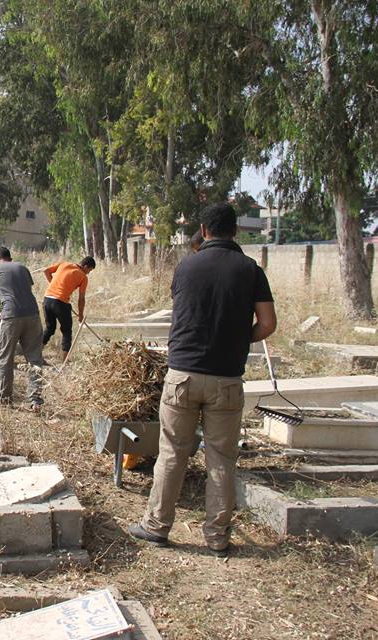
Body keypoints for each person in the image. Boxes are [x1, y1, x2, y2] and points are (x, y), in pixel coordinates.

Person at [127, 202, 276, 557]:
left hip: (183, 376)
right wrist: (240, 339)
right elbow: (268, 324)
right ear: (235, 231)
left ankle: (157, 526)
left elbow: (187, 312)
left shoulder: (186, 267)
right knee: (221, 459)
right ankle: (217, 537)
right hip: (226, 380)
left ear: (204, 230)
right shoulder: (251, 270)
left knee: (172, 453)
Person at [0, 247, 45, 411]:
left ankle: (4, 398)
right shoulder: (23, 268)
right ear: (10, 258)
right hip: (33, 315)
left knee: (6, 358)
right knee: (34, 359)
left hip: (11, 317)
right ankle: (35, 401)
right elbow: (22, 293)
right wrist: (4, 312)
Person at [41, 256, 96, 361]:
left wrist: (53, 285)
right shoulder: (83, 277)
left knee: (50, 328)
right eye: (89, 270)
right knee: (66, 331)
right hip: (61, 303)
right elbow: (81, 298)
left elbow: (46, 271)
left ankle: (35, 354)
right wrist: (80, 315)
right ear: (85, 266)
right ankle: (65, 360)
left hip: (47, 299)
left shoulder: (64, 264)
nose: (88, 273)